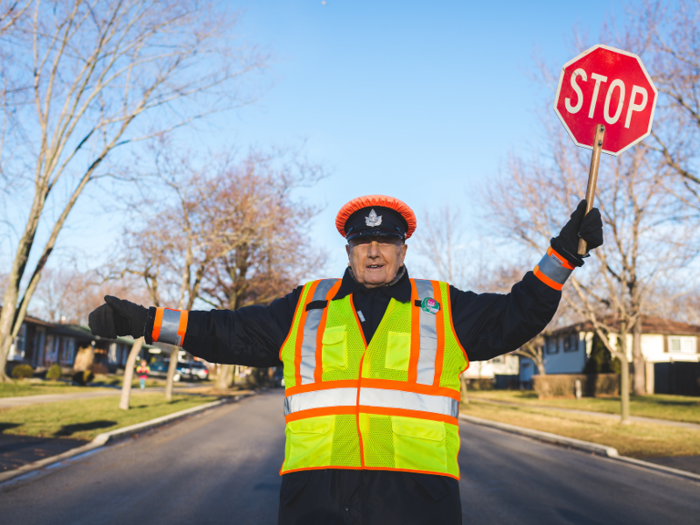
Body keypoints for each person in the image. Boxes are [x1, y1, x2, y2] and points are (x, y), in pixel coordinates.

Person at [88, 195, 603, 525]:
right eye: (363, 242)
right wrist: (145, 322)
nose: (374, 251)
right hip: (317, 502)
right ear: (349, 250)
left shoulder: (442, 306)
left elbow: (516, 314)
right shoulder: (306, 305)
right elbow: (227, 332)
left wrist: (562, 255)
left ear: (403, 251)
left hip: (418, 505)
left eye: (386, 242)